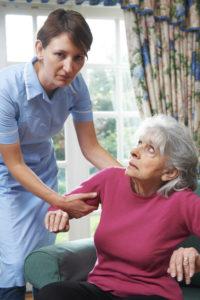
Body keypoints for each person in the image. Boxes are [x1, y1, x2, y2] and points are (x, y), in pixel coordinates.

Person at [0, 8, 120, 300]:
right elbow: (13, 162)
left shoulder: (76, 87)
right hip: (7, 174)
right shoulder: (6, 88)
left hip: (42, 170)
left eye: (78, 57)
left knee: (42, 258)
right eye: (61, 54)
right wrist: (61, 201)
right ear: (40, 49)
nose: (70, 66)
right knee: (13, 263)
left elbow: (91, 147)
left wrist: (130, 177)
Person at [37, 114, 200, 300]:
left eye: (150, 149)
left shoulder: (183, 202)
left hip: (151, 295)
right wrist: (58, 211)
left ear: (169, 172)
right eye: (139, 142)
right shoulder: (110, 179)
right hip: (101, 289)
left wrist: (195, 257)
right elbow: (63, 204)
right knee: (53, 294)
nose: (134, 151)